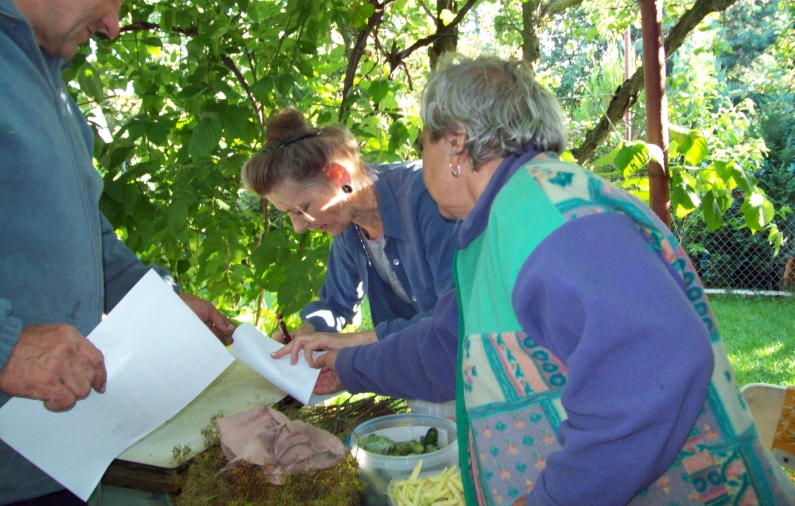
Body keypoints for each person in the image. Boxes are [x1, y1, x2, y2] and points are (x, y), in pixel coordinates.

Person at [300, 54, 795, 505]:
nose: (419, 157)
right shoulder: (503, 221)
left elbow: (657, 367)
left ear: (455, 143)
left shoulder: (541, 213)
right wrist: (348, 368)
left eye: (422, 141)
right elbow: (447, 347)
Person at [0, 0, 236, 504]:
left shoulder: (45, 79)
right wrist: (5, 345)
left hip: (52, 460)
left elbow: (85, 235)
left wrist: (158, 299)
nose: (113, 24)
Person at [242, 107, 458, 352]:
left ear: (338, 175)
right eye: (289, 214)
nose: (298, 227)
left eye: (302, 208)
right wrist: (309, 330)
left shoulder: (427, 199)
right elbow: (335, 304)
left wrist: (349, 344)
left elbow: (456, 317)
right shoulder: (348, 226)